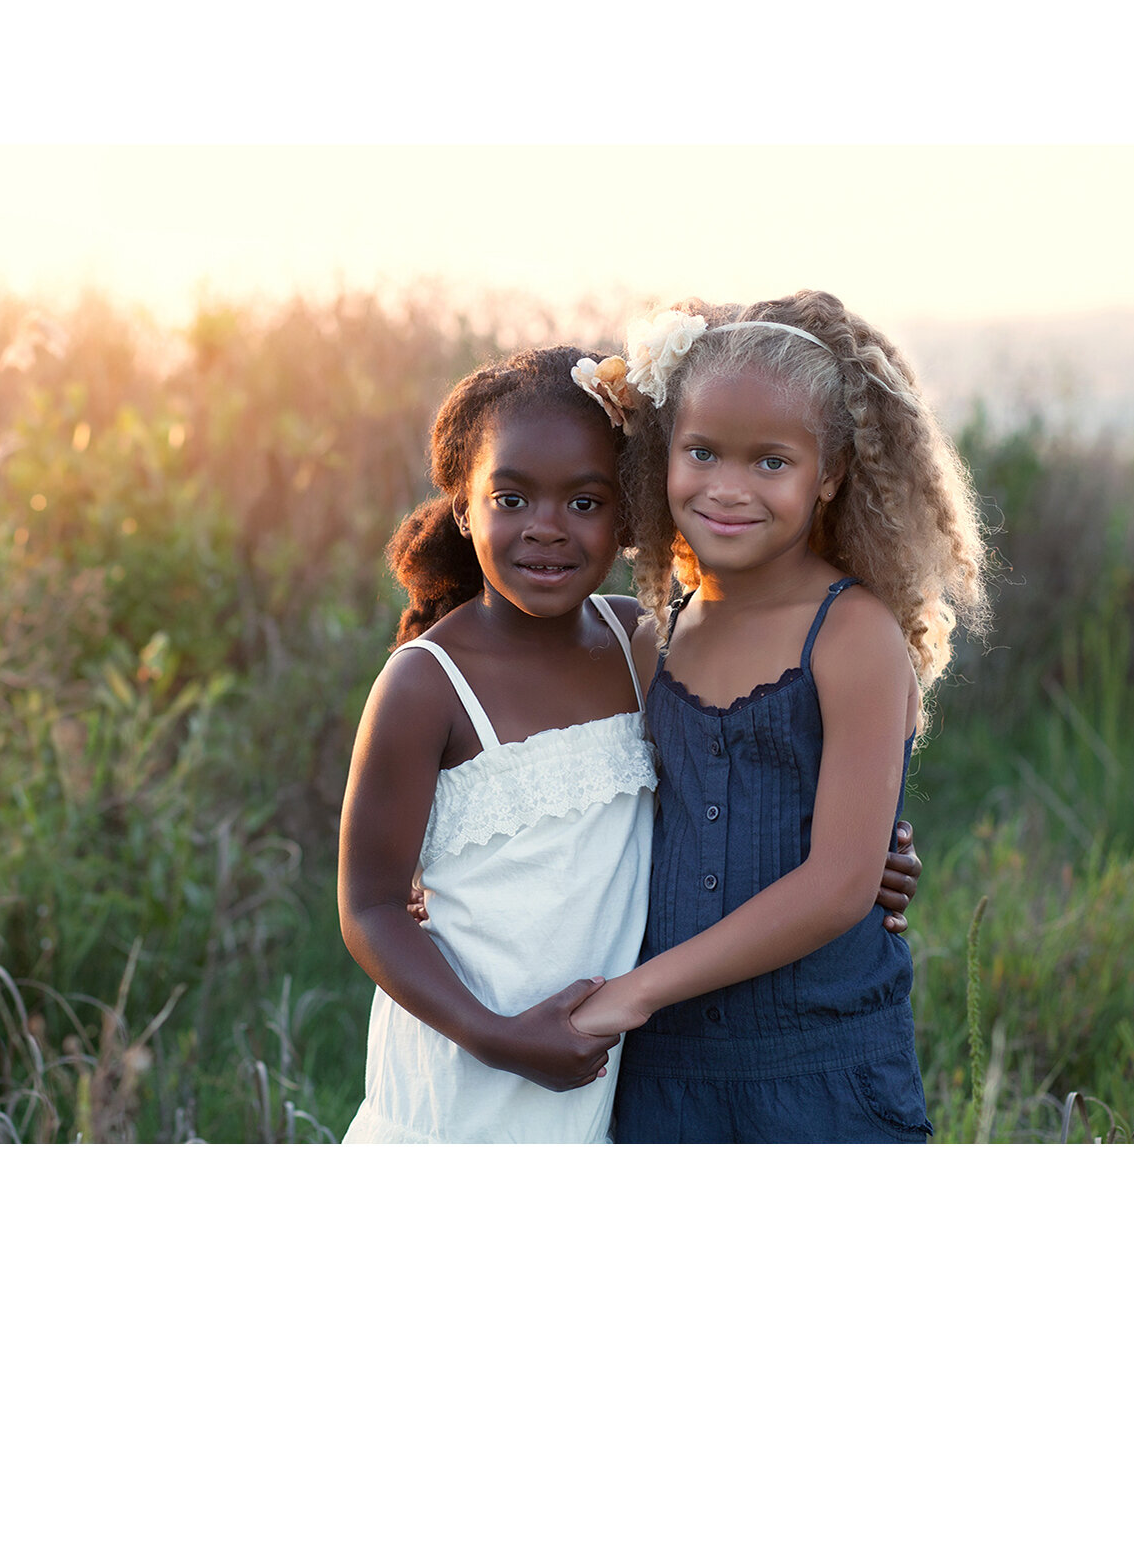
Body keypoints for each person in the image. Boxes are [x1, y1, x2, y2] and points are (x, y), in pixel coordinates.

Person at [338, 342, 921, 1143]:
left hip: (606, 1071)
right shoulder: (423, 683)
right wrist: (494, 1035)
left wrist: (859, 858)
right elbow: (370, 905)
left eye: (585, 502)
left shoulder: (634, 642)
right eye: (510, 498)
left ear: (628, 511)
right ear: (463, 505)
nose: (547, 528)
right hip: (469, 1075)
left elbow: (724, 779)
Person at [568, 293, 987, 1144]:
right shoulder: (655, 638)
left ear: (828, 472)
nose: (727, 488)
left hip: (820, 1073)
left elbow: (837, 886)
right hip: (662, 1077)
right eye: (701, 452)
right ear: (663, 455)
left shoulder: (853, 634)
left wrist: (633, 991)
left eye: (771, 463)